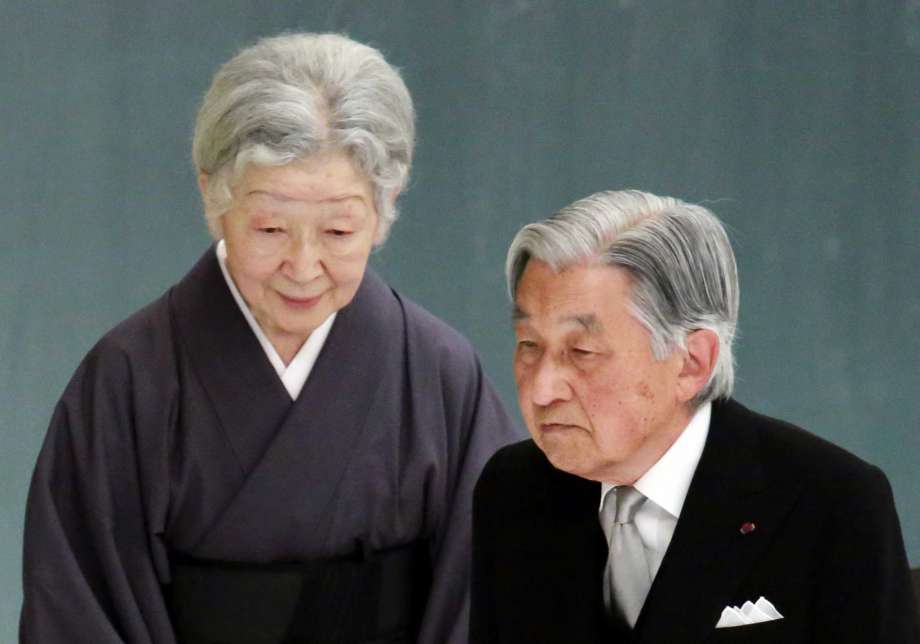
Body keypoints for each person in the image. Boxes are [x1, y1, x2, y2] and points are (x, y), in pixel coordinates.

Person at [21, 32, 519, 644]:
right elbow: (79, 609)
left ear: (385, 205)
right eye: (270, 229)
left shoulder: (438, 375)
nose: (303, 267)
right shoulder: (128, 381)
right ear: (213, 195)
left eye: (338, 232)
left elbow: (495, 591)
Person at [471, 190, 919, 643]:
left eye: (582, 351)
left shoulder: (833, 505)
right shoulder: (513, 490)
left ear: (692, 362)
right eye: (529, 344)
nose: (543, 388)